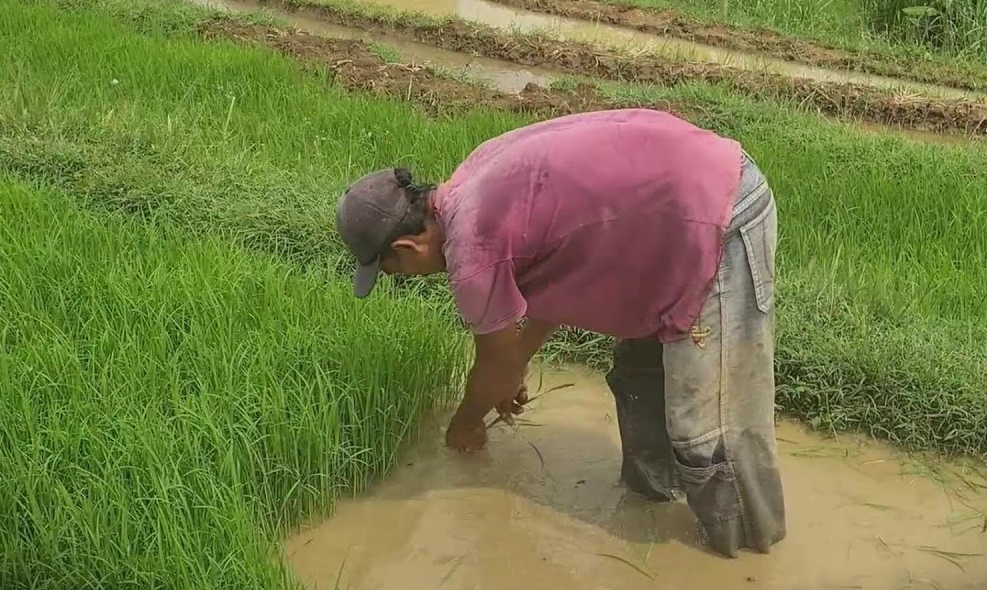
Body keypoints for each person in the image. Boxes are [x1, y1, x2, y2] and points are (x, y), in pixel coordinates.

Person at [333, 107, 785, 557]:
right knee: (639, 379)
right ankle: (655, 506)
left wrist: (465, 425)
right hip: (671, 217)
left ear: (406, 247)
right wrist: (514, 366)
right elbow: (556, 277)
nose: (403, 278)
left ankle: (746, 556)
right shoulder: (470, 181)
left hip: (718, 213)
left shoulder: (471, 250)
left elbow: (493, 366)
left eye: (392, 271)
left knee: (707, 429)